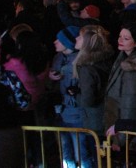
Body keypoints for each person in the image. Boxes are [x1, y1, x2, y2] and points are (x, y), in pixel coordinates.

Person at [104, 23, 136, 148]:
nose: (120, 40)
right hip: (116, 119)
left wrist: (122, 138)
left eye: (126, 38)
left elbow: (130, 104)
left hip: (122, 127)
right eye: (120, 36)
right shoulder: (122, 58)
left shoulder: (135, 68)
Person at [73, 25, 114, 167]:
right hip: (109, 115)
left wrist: (76, 95)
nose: (76, 39)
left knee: (98, 158)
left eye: (79, 36)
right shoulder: (108, 60)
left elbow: (88, 99)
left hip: (95, 120)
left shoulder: (87, 68)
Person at [49, 26, 82, 168]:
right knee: (65, 151)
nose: (55, 42)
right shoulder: (57, 58)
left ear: (68, 43)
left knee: (80, 151)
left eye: (59, 40)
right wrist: (50, 79)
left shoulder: (79, 61)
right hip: (60, 111)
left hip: (75, 112)